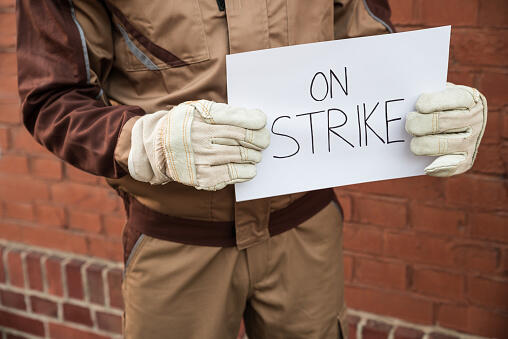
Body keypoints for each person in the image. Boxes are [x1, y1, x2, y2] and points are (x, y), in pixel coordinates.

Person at [16, 1, 487, 338]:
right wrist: (144, 142)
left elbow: (364, 45)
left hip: (305, 235)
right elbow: (52, 97)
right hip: (176, 244)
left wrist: (425, 108)